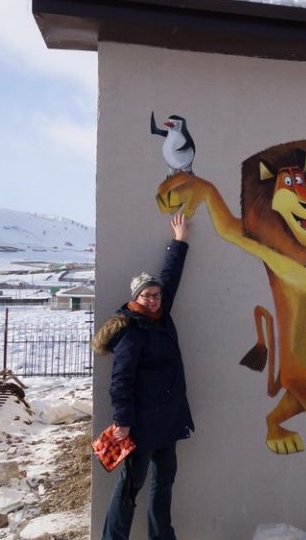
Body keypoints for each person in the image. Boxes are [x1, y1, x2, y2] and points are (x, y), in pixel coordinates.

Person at [92, 213, 194, 540]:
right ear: (134, 298)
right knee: (129, 489)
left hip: (169, 421)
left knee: (164, 485)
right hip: (142, 426)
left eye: (155, 294)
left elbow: (170, 275)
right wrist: (122, 421)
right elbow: (120, 381)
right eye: (145, 295)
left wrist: (179, 240)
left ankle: (162, 537)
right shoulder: (132, 331)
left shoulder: (162, 316)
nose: (152, 299)